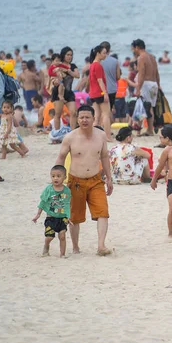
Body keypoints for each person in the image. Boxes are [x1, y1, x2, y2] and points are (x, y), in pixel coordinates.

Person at [55, 105, 114, 256]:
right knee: (75, 216)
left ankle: (101, 246)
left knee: (103, 212)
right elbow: (61, 157)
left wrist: (109, 177)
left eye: (87, 117)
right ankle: (75, 247)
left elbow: (105, 156)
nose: (84, 120)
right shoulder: (70, 137)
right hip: (76, 181)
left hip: (96, 180)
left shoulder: (100, 135)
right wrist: (57, 179)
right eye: (81, 117)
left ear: (94, 119)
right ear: (77, 119)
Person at [32, 165, 72, 257]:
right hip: (51, 217)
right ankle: (46, 246)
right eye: (53, 176)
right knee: (49, 237)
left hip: (62, 218)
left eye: (58, 176)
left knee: (62, 236)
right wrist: (38, 214)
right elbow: (43, 201)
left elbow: (66, 204)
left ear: (64, 177)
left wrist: (68, 217)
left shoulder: (67, 191)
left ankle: (62, 254)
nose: (55, 178)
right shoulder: (48, 189)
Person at [132, 39, 160, 136]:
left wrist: (138, 88)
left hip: (146, 84)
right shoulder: (152, 57)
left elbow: (141, 74)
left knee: (142, 106)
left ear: (137, 47)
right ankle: (149, 130)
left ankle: (139, 130)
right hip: (154, 84)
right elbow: (157, 72)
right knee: (150, 107)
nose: (133, 51)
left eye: (133, 48)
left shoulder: (141, 58)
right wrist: (159, 85)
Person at [88, 45, 112, 140]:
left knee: (96, 116)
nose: (105, 55)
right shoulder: (98, 65)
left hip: (93, 93)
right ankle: (107, 136)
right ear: (98, 53)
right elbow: (100, 80)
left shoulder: (92, 65)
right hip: (100, 93)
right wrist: (105, 93)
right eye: (104, 53)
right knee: (106, 114)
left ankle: (93, 136)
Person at [52, 47, 80, 130]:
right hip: (58, 92)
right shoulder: (58, 65)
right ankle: (57, 133)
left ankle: (73, 132)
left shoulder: (72, 66)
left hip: (69, 92)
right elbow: (52, 77)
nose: (69, 57)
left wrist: (68, 71)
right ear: (63, 55)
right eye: (67, 55)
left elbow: (77, 75)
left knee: (73, 112)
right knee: (58, 114)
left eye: (71, 55)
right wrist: (55, 82)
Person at [100, 42, 121, 121]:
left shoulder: (99, 61)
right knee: (109, 110)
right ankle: (108, 128)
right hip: (112, 89)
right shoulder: (115, 61)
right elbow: (118, 77)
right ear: (109, 50)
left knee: (101, 110)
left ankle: (103, 128)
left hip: (101, 89)